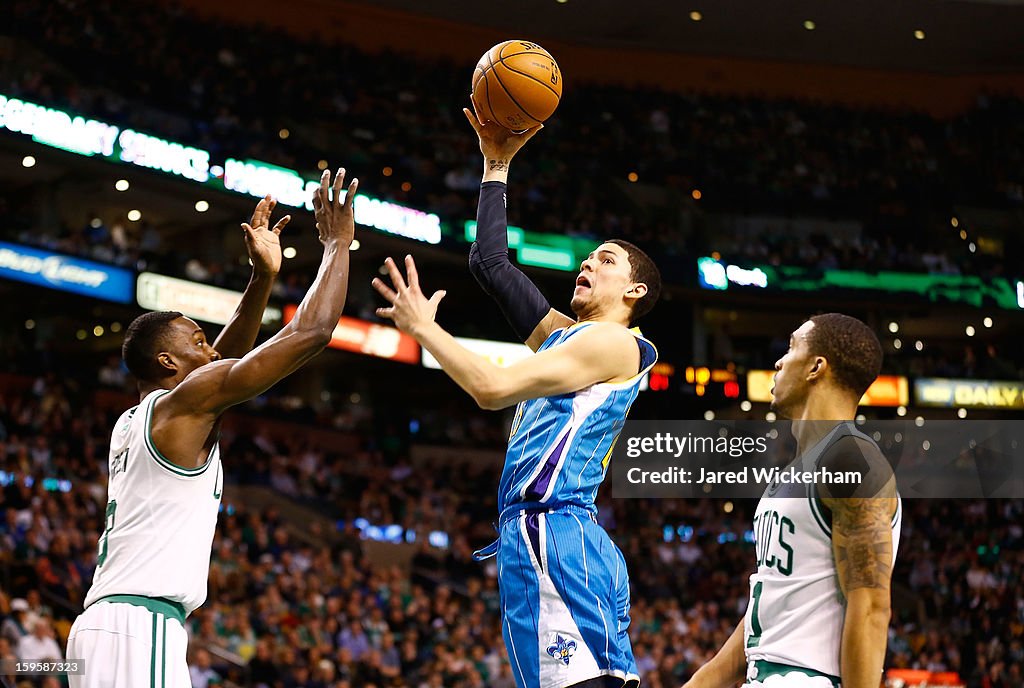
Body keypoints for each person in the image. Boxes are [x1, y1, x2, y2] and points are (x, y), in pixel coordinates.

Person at [370, 109, 661, 688]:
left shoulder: (616, 343)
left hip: (555, 532)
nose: (587, 263)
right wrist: (496, 165)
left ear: (634, 290)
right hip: (549, 536)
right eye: (588, 256)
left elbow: (491, 388)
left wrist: (425, 328)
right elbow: (490, 262)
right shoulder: (571, 337)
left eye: (606, 260)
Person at [66, 169, 359, 688]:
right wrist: (338, 244)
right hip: (140, 627)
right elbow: (312, 332)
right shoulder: (182, 405)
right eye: (198, 340)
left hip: (107, 627)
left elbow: (224, 365)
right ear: (166, 360)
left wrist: (262, 279)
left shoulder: (136, 419)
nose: (212, 349)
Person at [684, 314, 902, 688]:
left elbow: (870, 609)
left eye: (791, 348)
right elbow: (768, 610)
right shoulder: (797, 470)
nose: (779, 361)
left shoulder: (851, 459)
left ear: (817, 367)